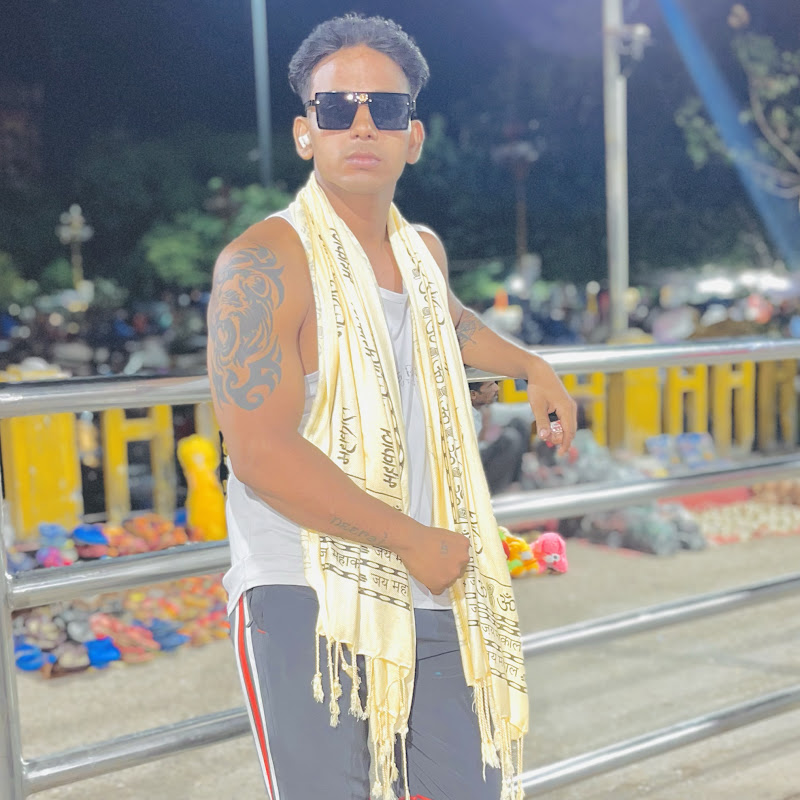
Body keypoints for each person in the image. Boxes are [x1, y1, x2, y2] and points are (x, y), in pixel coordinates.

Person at [206, 14, 576, 800]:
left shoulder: (420, 251)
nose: (363, 124)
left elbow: (448, 320)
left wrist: (530, 366)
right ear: (305, 132)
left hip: (427, 581)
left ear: (414, 136)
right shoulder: (263, 262)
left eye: (386, 107)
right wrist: (414, 541)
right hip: (306, 587)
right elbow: (260, 454)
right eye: (338, 108)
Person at [469, 379, 530, 494]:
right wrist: (485, 431)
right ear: (473, 394)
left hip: (484, 456)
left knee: (519, 424)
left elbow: (522, 412)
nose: (497, 388)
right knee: (509, 439)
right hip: (474, 473)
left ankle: (514, 484)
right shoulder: (464, 415)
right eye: (490, 385)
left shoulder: (483, 408)